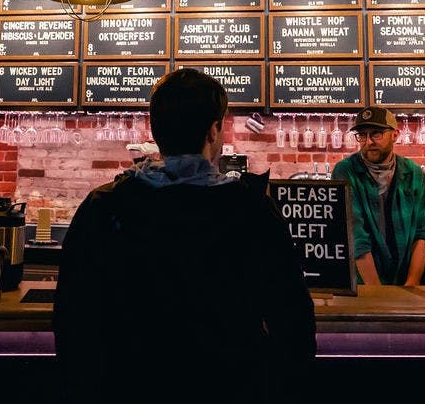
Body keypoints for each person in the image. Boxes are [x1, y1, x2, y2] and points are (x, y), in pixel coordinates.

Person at [53, 69, 316, 403]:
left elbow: (73, 318)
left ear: (156, 130)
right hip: (231, 387)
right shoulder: (251, 209)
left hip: (127, 387)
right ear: (214, 129)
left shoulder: (106, 206)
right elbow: (293, 321)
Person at [332, 105, 425, 286]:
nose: (368, 141)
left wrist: (412, 284)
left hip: (403, 281)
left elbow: (420, 233)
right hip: (362, 284)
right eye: (362, 135)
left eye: (376, 133)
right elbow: (355, 236)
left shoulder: (414, 173)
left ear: (395, 135)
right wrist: (378, 295)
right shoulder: (346, 171)